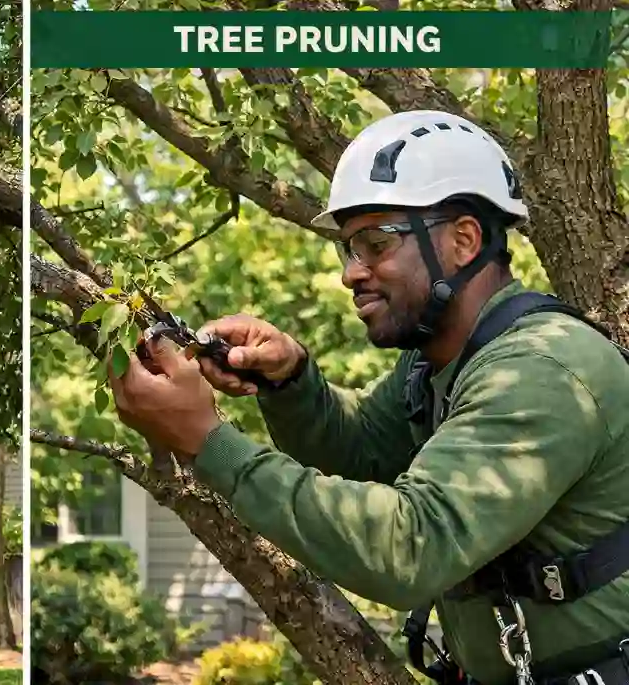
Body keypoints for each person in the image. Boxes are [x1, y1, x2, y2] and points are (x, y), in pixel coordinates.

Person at [109, 110, 629, 685]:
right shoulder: (436, 362)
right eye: (348, 249)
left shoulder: (542, 369)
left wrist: (207, 440)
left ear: (463, 240)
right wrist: (289, 383)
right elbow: (357, 454)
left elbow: (410, 548)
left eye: (375, 244)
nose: (351, 273)